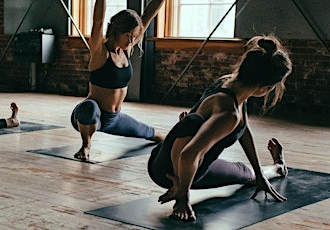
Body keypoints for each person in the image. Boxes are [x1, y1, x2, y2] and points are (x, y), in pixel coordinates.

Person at [147, 35, 292, 221]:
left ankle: (271, 170)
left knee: (247, 172)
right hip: (171, 172)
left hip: (163, 155)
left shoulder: (231, 85)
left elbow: (243, 129)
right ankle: (278, 168)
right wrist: (182, 195)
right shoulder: (228, 114)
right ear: (265, 87)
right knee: (243, 173)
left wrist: (258, 172)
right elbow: (188, 155)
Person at [71, 0, 166, 161]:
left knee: (155, 136)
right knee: (88, 107)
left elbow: (149, 14)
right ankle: (85, 146)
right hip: (92, 115)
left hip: (114, 118)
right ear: (116, 31)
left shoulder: (126, 49)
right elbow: (98, 21)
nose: (131, 40)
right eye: (128, 35)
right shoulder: (100, 51)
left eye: (134, 36)